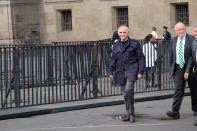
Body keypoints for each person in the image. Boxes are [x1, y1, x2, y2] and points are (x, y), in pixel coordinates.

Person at [109, 25, 145, 123]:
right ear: (118, 34)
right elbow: (113, 59)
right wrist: (110, 71)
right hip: (120, 71)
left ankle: (132, 114)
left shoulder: (134, 43)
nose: (122, 34)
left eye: (124, 32)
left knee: (128, 89)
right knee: (125, 94)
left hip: (132, 70)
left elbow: (141, 57)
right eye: (120, 32)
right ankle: (129, 113)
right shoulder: (115, 45)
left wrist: (141, 71)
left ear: (128, 33)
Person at [167, 22, 195, 119]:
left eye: (182, 29)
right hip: (178, 68)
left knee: (194, 89)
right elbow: (171, 55)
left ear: (185, 29)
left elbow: (193, 54)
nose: (181, 31)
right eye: (179, 30)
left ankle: (195, 109)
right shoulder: (173, 40)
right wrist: (171, 68)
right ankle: (175, 112)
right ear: (176, 31)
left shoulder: (191, 39)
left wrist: (191, 68)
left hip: (191, 68)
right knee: (178, 90)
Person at [184, 23, 197, 126]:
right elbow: (192, 58)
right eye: (194, 31)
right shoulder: (194, 42)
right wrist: (188, 71)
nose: (194, 33)